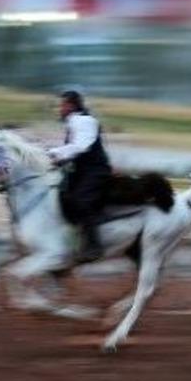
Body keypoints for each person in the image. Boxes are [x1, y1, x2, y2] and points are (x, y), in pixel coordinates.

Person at [48, 90, 112, 263]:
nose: (59, 109)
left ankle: (94, 246)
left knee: (81, 200)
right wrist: (57, 159)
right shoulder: (73, 122)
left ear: (71, 105)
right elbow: (72, 151)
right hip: (81, 171)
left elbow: (80, 147)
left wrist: (53, 153)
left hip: (96, 171)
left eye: (62, 105)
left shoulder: (85, 121)